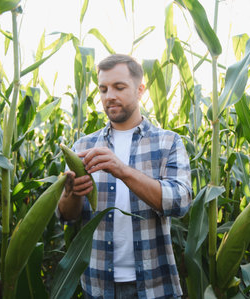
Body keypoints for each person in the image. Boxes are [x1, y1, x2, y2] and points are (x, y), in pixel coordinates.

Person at [57, 54, 192, 299]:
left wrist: (123, 171)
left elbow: (180, 202)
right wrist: (72, 193)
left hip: (154, 285)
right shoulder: (83, 146)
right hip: (98, 284)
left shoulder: (168, 142)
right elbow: (67, 216)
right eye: (103, 89)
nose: (109, 96)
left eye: (119, 87)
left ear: (140, 90)